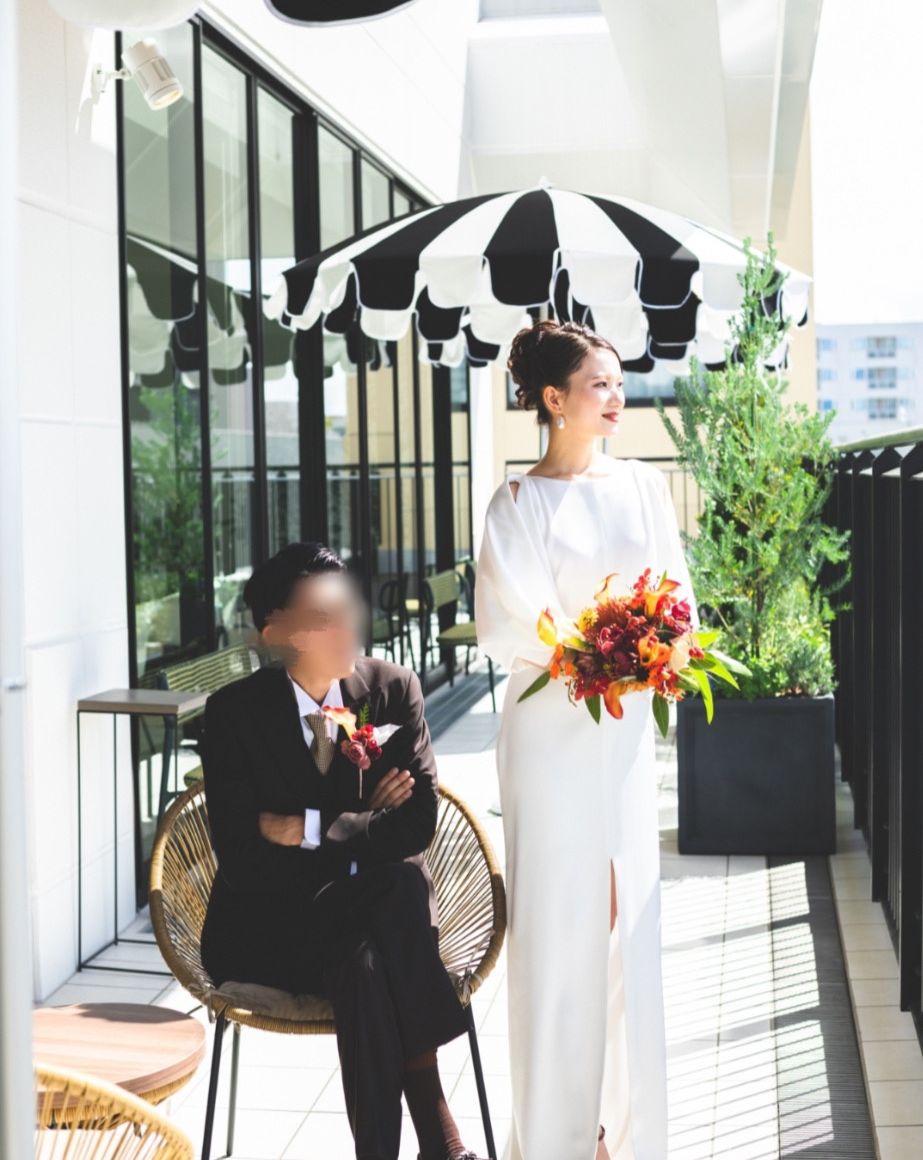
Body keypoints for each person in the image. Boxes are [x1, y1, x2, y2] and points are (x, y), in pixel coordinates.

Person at [474, 320, 701, 1160]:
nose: (616, 396)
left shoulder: (643, 487)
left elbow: (677, 601)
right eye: (598, 383)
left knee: (623, 916)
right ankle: (557, 1137)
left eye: (617, 381)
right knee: (558, 924)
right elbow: (513, 622)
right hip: (548, 734)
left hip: (623, 732)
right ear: (552, 399)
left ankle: (625, 1130)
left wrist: (656, 647)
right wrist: (597, 651)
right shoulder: (515, 503)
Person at [199, 541, 486, 1160]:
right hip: (272, 931)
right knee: (397, 889)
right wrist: (365, 826)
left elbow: (418, 825)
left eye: (349, 608)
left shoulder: (392, 690)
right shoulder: (232, 717)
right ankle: (441, 1136)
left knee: (365, 960)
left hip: (368, 925)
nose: (347, 627)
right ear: (276, 633)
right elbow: (244, 859)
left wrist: (306, 828)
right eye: (323, 616)